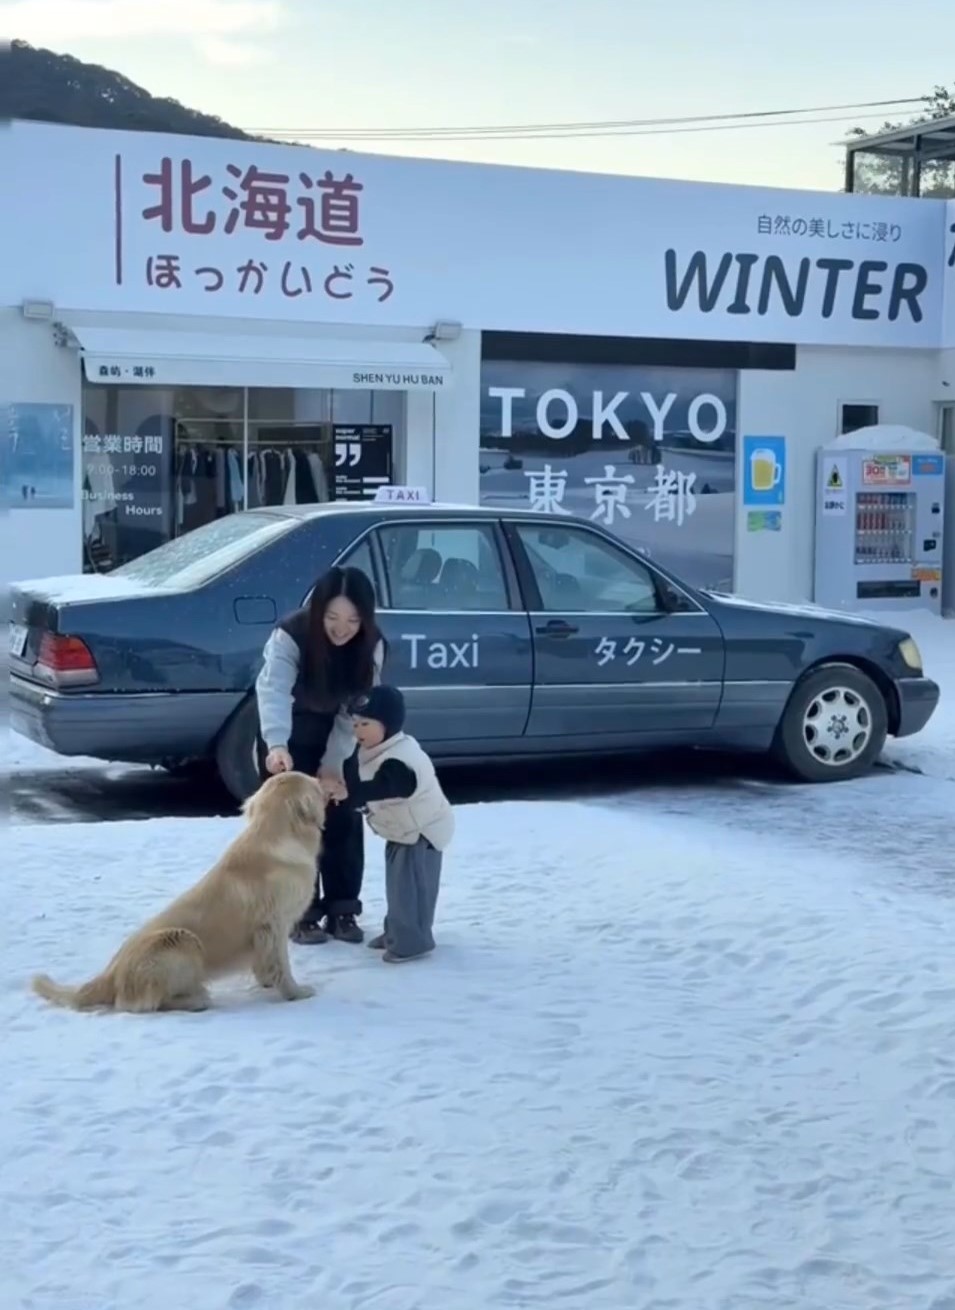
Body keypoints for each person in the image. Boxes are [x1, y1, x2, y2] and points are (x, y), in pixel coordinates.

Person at [255, 565, 385, 945]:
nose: (342, 628)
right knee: (293, 824)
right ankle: (301, 913)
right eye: (332, 617)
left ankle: (343, 910)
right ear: (317, 611)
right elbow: (274, 692)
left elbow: (355, 710)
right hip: (289, 731)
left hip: (339, 732)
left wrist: (333, 764)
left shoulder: (372, 646)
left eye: (353, 620)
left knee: (342, 815)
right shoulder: (290, 634)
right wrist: (276, 745)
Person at [328, 685, 454, 964]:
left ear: (389, 725)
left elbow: (391, 785)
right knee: (399, 888)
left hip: (422, 833)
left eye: (366, 724)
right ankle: (396, 932)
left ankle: (411, 943)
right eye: (355, 723)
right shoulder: (379, 749)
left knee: (411, 889)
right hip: (403, 830)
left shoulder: (399, 757)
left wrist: (351, 793)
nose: (358, 730)